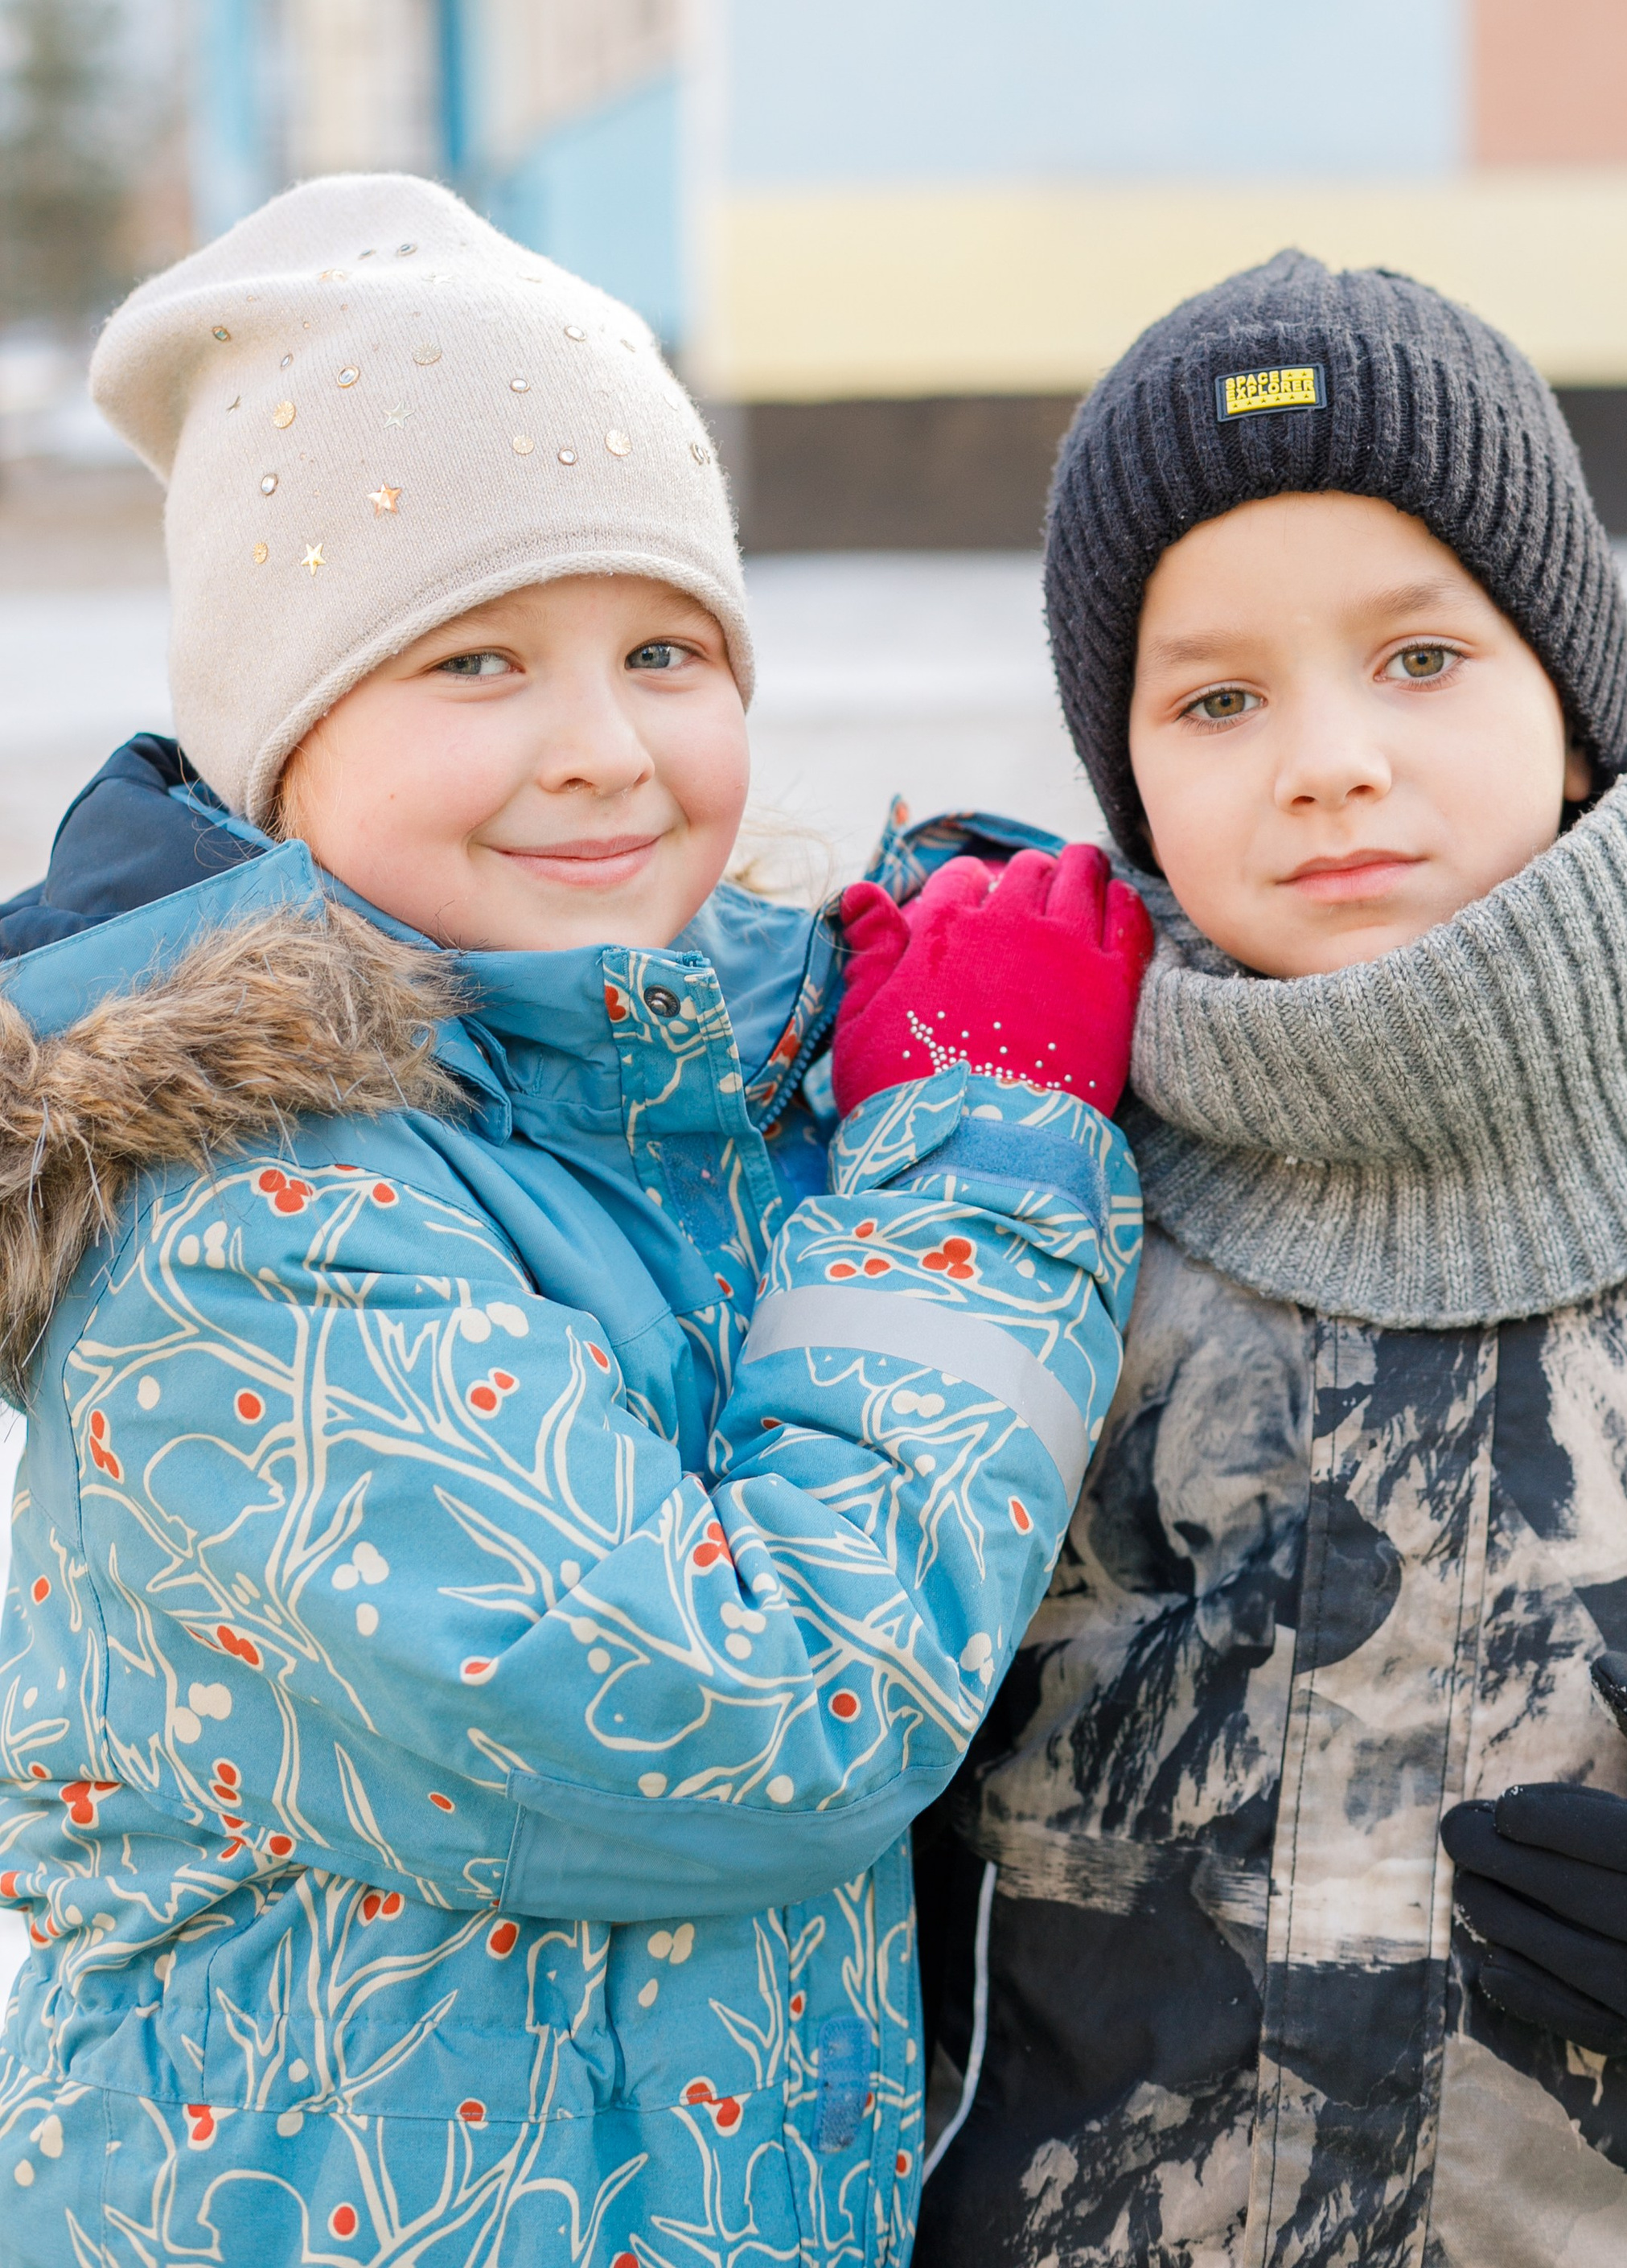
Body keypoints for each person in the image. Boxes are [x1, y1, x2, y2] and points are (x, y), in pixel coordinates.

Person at [0, 174, 1151, 2268]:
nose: (604, 746)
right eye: (476, 660)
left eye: (664, 650)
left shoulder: (714, 1101)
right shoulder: (245, 1229)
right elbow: (754, 1722)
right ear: (281, 740)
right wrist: (983, 1150)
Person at [912, 251, 1627, 2268]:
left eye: (1420, 656)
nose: (1327, 757)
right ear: (1127, 769)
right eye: (1216, 697)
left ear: (1570, 702)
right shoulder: (1014, 1181)